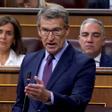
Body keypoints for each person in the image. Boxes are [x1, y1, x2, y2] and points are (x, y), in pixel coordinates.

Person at [12, 7, 95, 112]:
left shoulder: (84, 63)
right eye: (45, 30)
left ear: (67, 30)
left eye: (56, 30)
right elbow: (20, 103)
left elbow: (79, 103)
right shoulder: (29, 60)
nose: (50, 38)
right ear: (39, 31)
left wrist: (49, 97)